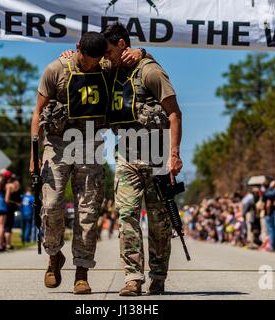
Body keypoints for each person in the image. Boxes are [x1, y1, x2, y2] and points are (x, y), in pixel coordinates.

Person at [101, 23, 183, 296]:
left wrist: (174, 155)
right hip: (126, 153)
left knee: (160, 222)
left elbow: (174, 113)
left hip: (156, 154)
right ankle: (132, 278)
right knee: (126, 216)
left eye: (110, 50)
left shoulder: (150, 71)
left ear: (122, 45)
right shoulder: (111, 69)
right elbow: (85, 62)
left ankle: (158, 276)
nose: (106, 56)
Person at [30, 32, 112, 295]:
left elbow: (134, 60)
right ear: (78, 49)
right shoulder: (56, 69)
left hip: (90, 143)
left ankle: (82, 271)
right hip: (57, 143)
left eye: (95, 61)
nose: (91, 66)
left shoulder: (106, 66)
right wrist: (34, 155)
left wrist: (143, 52)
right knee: (51, 205)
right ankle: (54, 256)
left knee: (87, 210)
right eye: (87, 60)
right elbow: (37, 112)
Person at [4, 174, 21, 250]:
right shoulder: (17, 186)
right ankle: (9, 243)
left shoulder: (9, 186)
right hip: (13, 208)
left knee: (6, 226)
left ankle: (6, 244)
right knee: (10, 226)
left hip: (7, 207)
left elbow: (7, 199)